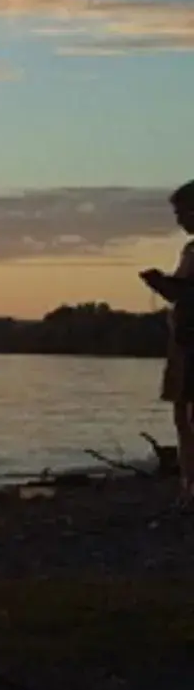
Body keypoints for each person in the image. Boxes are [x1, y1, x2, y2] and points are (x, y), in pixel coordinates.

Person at [138, 180, 194, 507]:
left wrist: (163, 284)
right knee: (180, 416)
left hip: (192, 344)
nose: (179, 219)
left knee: (189, 418)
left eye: (182, 211)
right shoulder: (189, 250)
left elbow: (186, 293)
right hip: (182, 343)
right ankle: (188, 484)